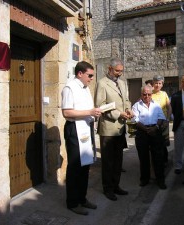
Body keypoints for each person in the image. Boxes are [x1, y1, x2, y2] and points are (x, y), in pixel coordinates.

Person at [61, 61, 102, 215]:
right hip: (74, 130)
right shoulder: (70, 88)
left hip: (86, 129)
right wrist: (90, 112)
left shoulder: (85, 88)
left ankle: (82, 199)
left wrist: (94, 113)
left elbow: (87, 110)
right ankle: (72, 202)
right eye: (89, 75)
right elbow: (67, 113)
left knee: (85, 165)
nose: (91, 78)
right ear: (80, 74)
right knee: (75, 167)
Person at [94, 58, 134, 201]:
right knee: (108, 161)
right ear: (109, 69)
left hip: (121, 128)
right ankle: (108, 189)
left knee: (118, 160)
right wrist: (118, 114)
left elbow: (126, 100)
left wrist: (129, 110)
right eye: (117, 71)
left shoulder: (122, 83)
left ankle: (116, 185)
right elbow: (100, 105)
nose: (119, 74)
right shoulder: (102, 83)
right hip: (108, 128)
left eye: (121, 71)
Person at [132, 85, 167, 189]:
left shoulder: (156, 105)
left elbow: (161, 118)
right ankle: (144, 179)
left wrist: (155, 127)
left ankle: (160, 180)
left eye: (149, 94)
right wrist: (146, 129)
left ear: (152, 94)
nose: (146, 96)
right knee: (143, 157)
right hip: (142, 132)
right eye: (144, 94)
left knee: (158, 158)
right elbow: (135, 120)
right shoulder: (136, 105)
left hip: (155, 132)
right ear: (141, 94)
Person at [170, 74, 184, 174]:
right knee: (178, 146)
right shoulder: (175, 96)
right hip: (179, 123)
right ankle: (178, 166)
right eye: (183, 82)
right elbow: (172, 110)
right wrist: (175, 119)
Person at [151, 75, 172, 164]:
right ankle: (156, 161)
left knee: (163, 143)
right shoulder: (149, 93)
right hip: (153, 122)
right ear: (153, 84)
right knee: (155, 143)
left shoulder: (164, 94)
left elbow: (169, 107)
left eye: (160, 83)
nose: (158, 85)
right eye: (156, 83)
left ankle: (164, 160)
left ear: (162, 84)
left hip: (163, 122)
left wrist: (167, 119)